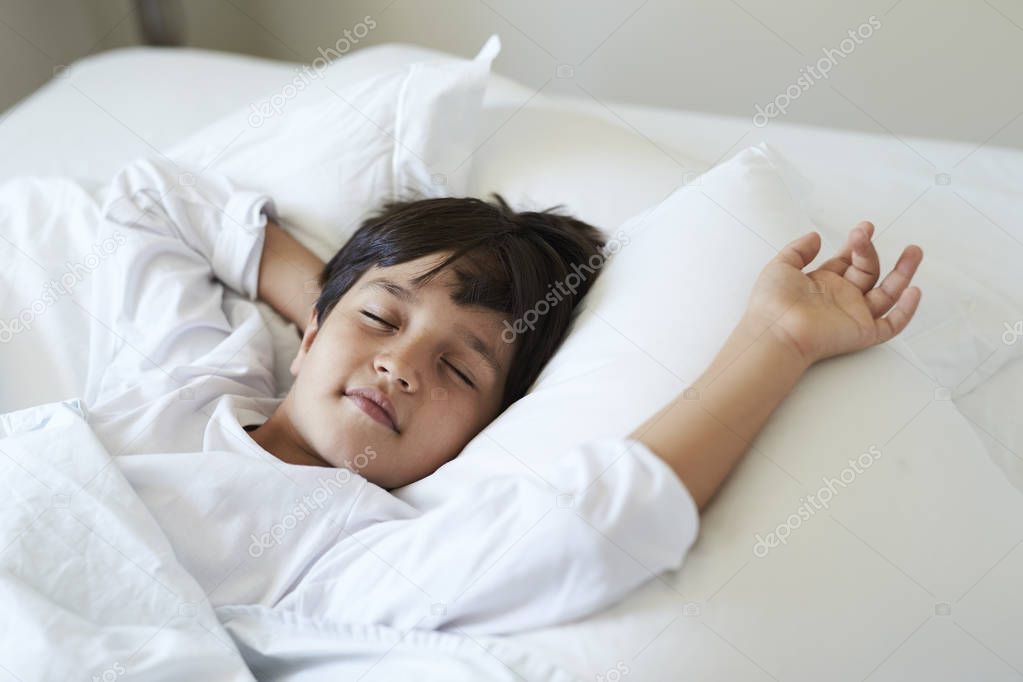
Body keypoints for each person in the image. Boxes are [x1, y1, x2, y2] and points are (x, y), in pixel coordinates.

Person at [78, 155, 921, 633]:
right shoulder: (193, 383)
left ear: (481, 432)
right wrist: (334, 320)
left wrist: (774, 342)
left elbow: (588, 529)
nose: (403, 366)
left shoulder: (347, 550)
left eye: (458, 369)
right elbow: (146, 199)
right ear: (305, 333)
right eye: (381, 316)